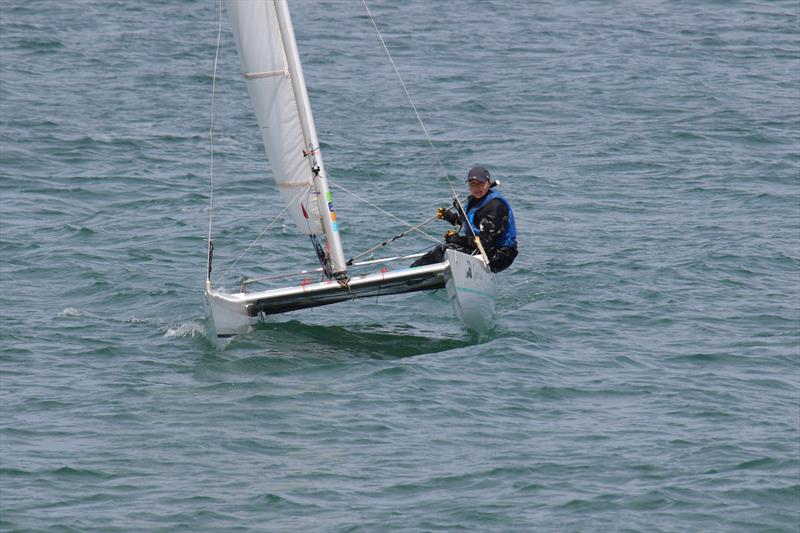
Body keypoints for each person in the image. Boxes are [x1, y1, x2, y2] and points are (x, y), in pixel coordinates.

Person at [411, 166, 518, 273]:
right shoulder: (476, 200)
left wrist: (458, 239)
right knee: (444, 248)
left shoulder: (495, 206)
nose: (476, 189)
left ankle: (413, 276)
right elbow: (472, 223)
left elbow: (484, 243)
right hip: (483, 249)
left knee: (446, 249)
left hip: (499, 256)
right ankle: (414, 273)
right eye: (472, 184)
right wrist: (449, 217)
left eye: (480, 184)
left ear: (488, 183)